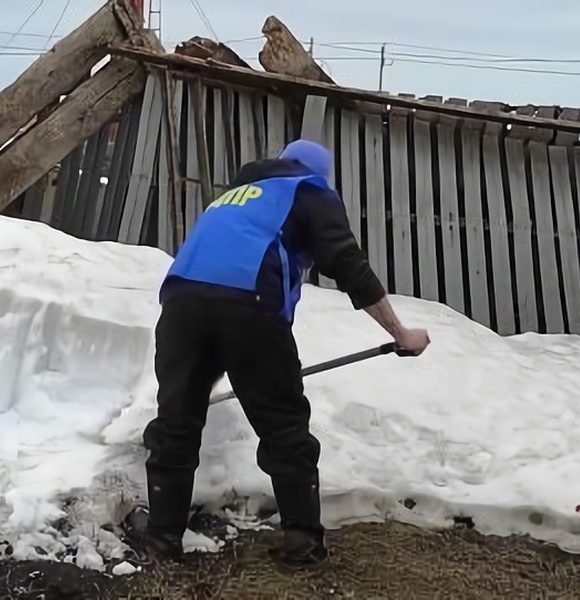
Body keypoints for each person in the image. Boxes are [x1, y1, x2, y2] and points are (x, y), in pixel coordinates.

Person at [124, 139, 431, 569]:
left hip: (180, 303)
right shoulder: (308, 189)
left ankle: (162, 539)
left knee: (177, 422)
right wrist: (400, 332)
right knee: (284, 425)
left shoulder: (233, 196)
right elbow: (345, 261)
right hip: (249, 305)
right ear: (316, 171)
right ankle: (303, 544)